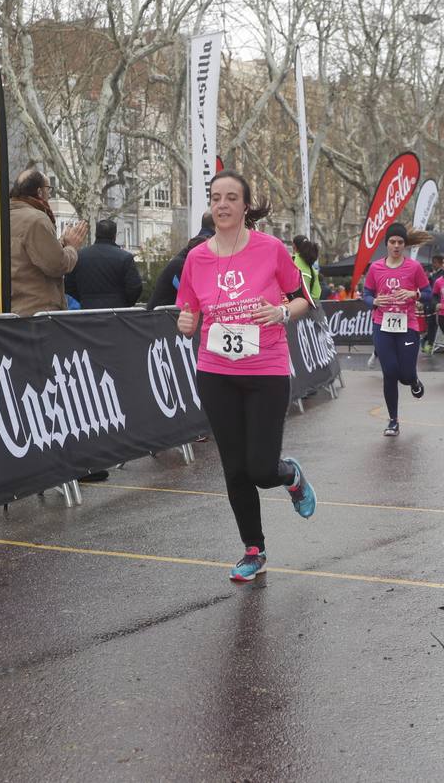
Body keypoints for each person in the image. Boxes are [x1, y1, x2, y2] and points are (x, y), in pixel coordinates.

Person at [175, 169, 317, 583]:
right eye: (216, 198)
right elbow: (188, 310)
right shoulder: (197, 257)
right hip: (215, 372)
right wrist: (185, 322)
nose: (222, 205)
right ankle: (253, 550)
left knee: (260, 468)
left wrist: (279, 313)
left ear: (244, 205)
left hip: (266, 370)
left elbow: (302, 300)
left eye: (231, 198)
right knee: (234, 468)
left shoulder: (270, 249)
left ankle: (288, 474)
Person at [363, 224, 432, 437]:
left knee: (405, 375)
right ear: (387, 244)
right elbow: (365, 294)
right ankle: (393, 420)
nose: (396, 245)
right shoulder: (375, 268)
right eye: (392, 242)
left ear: (404, 245)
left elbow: (428, 292)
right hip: (382, 324)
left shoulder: (414, 267)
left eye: (400, 242)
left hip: (407, 325)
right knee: (390, 373)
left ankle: (414, 380)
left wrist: (414, 295)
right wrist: (374, 300)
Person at [9, 167, 88, 317]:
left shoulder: (4, 217)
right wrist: (72, 247)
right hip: (37, 311)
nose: (50, 193)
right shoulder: (36, 220)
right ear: (39, 192)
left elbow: (29, 255)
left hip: (12, 311)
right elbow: (57, 265)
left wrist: (61, 244)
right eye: (48, 188)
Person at [66, 218, 143, 309]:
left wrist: (83, 300)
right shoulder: (125, 258)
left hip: (87, 311)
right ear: (114, 236)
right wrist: (125, 303)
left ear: (96, 234)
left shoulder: (79, 257)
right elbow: (135, 287)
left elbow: (68, 286)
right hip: (117, 313)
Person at [146, 212, 214, 309]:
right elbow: (189, 295)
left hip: (166, 316)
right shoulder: (180, 265)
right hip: (160, 317)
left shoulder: (199, 243)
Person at [292, 235, 322, 304]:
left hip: (293, 308)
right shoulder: (312, 268)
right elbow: (316, 294)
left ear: (294, 246)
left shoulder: (291, 262)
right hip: (309, 308)